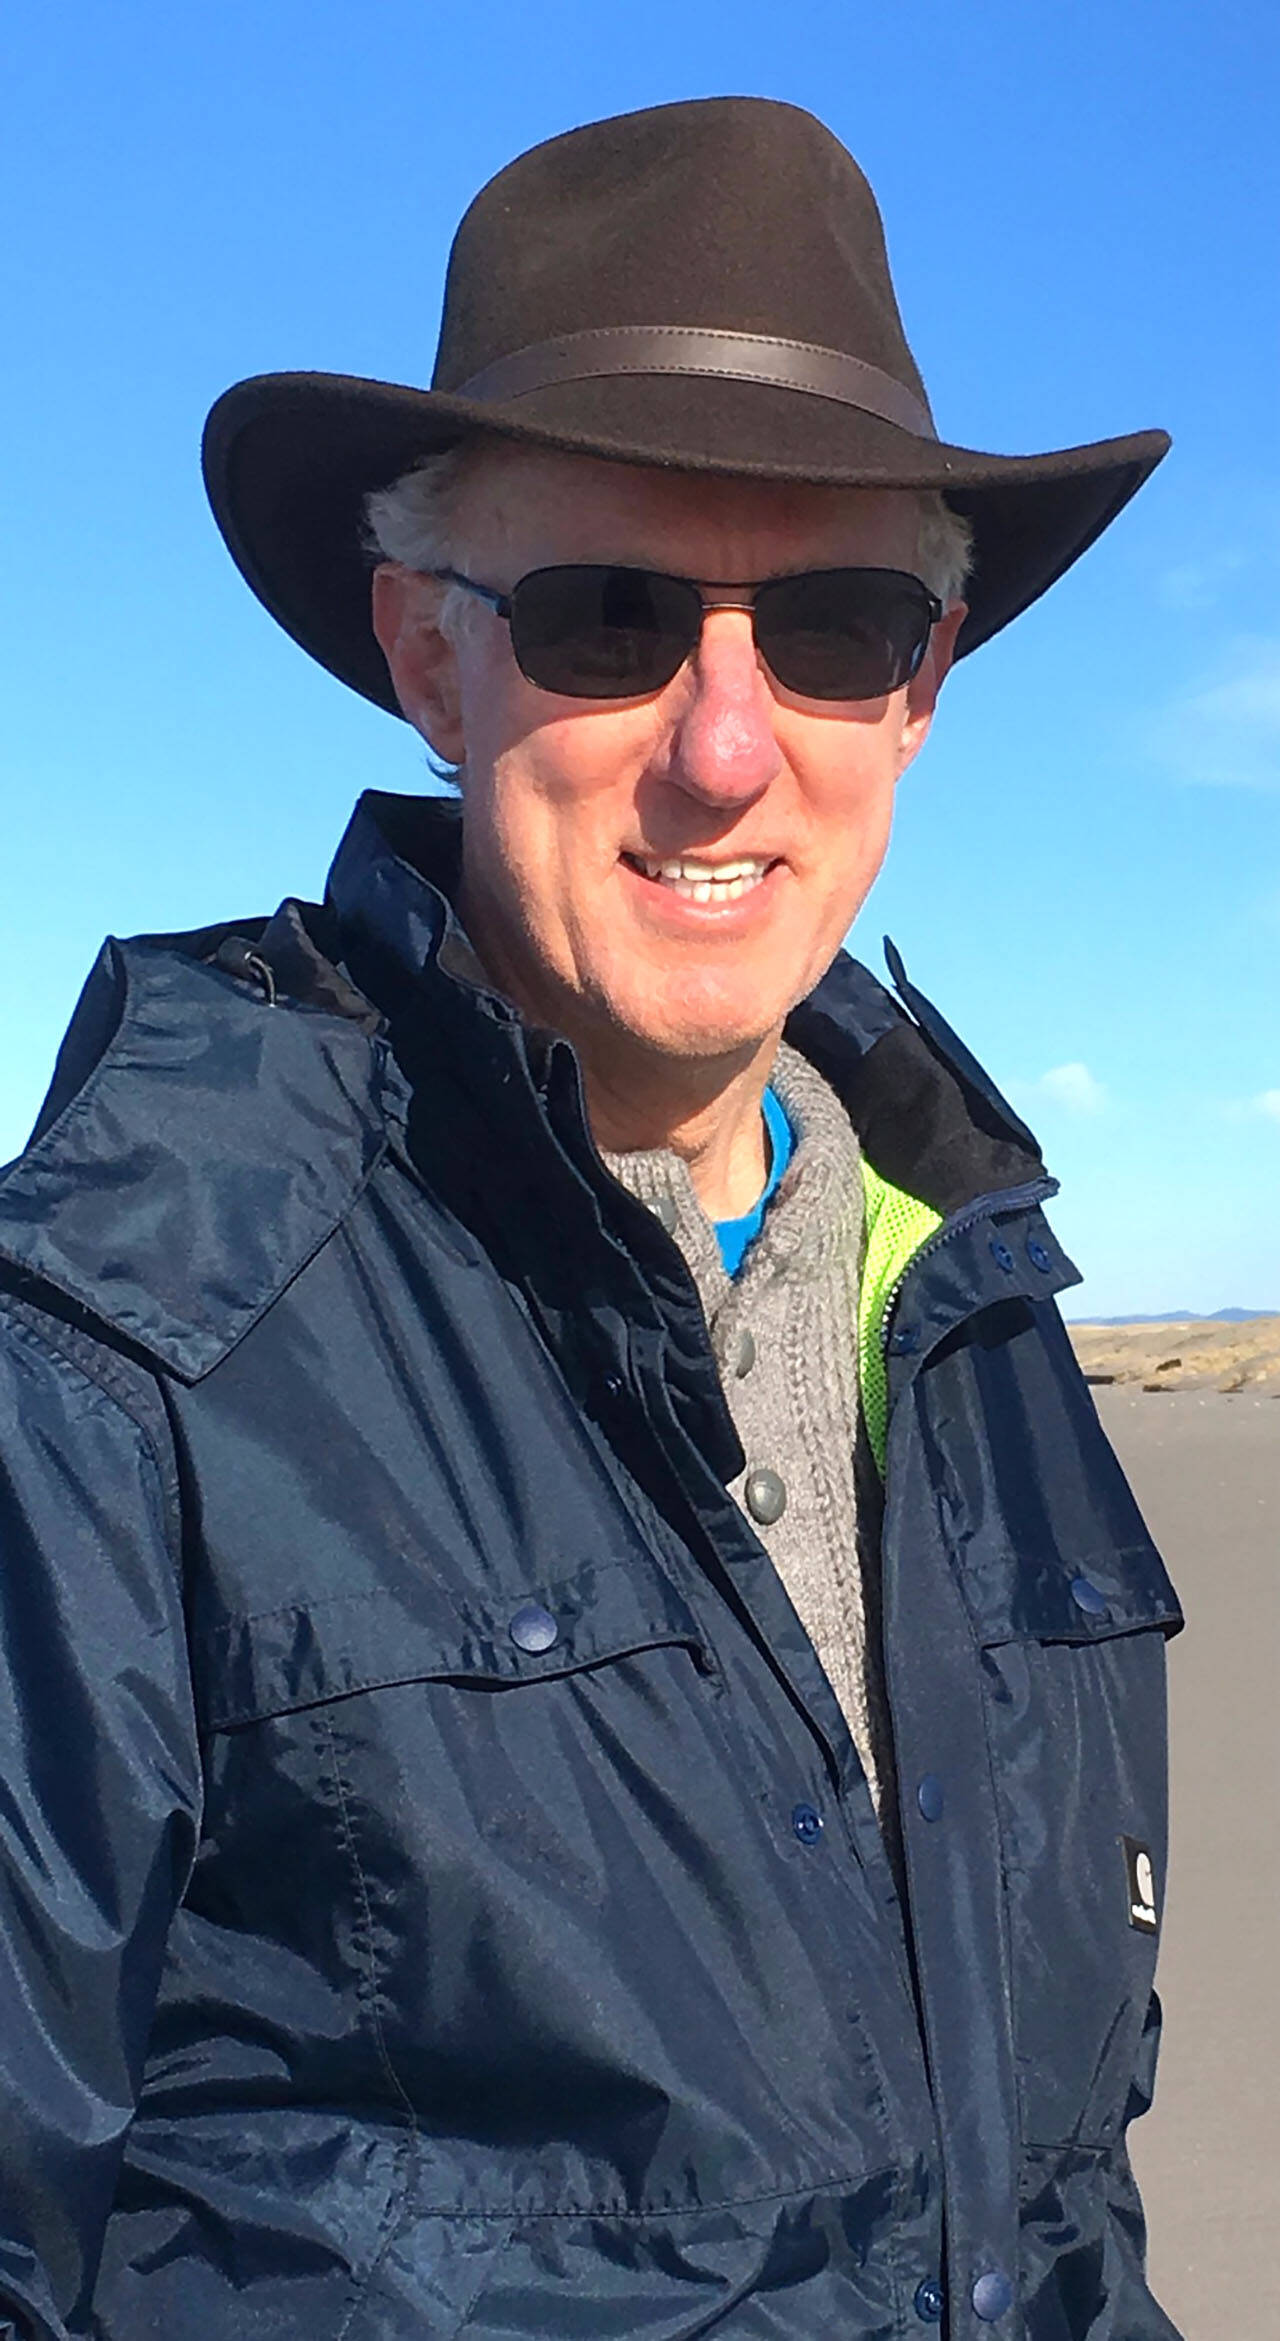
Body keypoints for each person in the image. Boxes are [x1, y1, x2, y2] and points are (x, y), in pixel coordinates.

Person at [0, 97, 1184, 2341]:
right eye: (609, 616)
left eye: (832, 625)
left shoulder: (981, 1314)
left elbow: (1057, 2193)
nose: (726, 746)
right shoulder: (117, 1348)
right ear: (427, 657)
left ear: (922, 688)